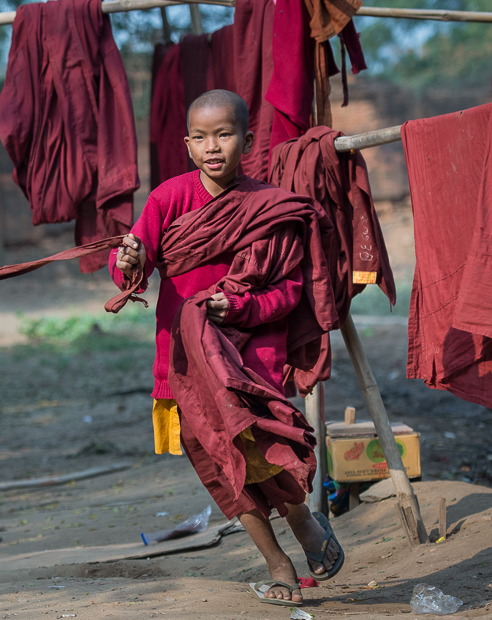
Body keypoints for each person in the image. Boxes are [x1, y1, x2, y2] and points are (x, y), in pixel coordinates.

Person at [110, 89, 343, 606]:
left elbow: (288, 292)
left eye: (224, 134)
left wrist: (235, 310)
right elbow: (136, 262)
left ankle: (302, 517)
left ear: (248, 140)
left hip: (252, 363)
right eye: (200, 137)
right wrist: (127, 262)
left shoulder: (268, 207)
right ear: (187, 145)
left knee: (266, 455)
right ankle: (277, 563)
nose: (212, 146)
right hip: (183, 360)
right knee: (219, 465)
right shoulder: (168, 199)